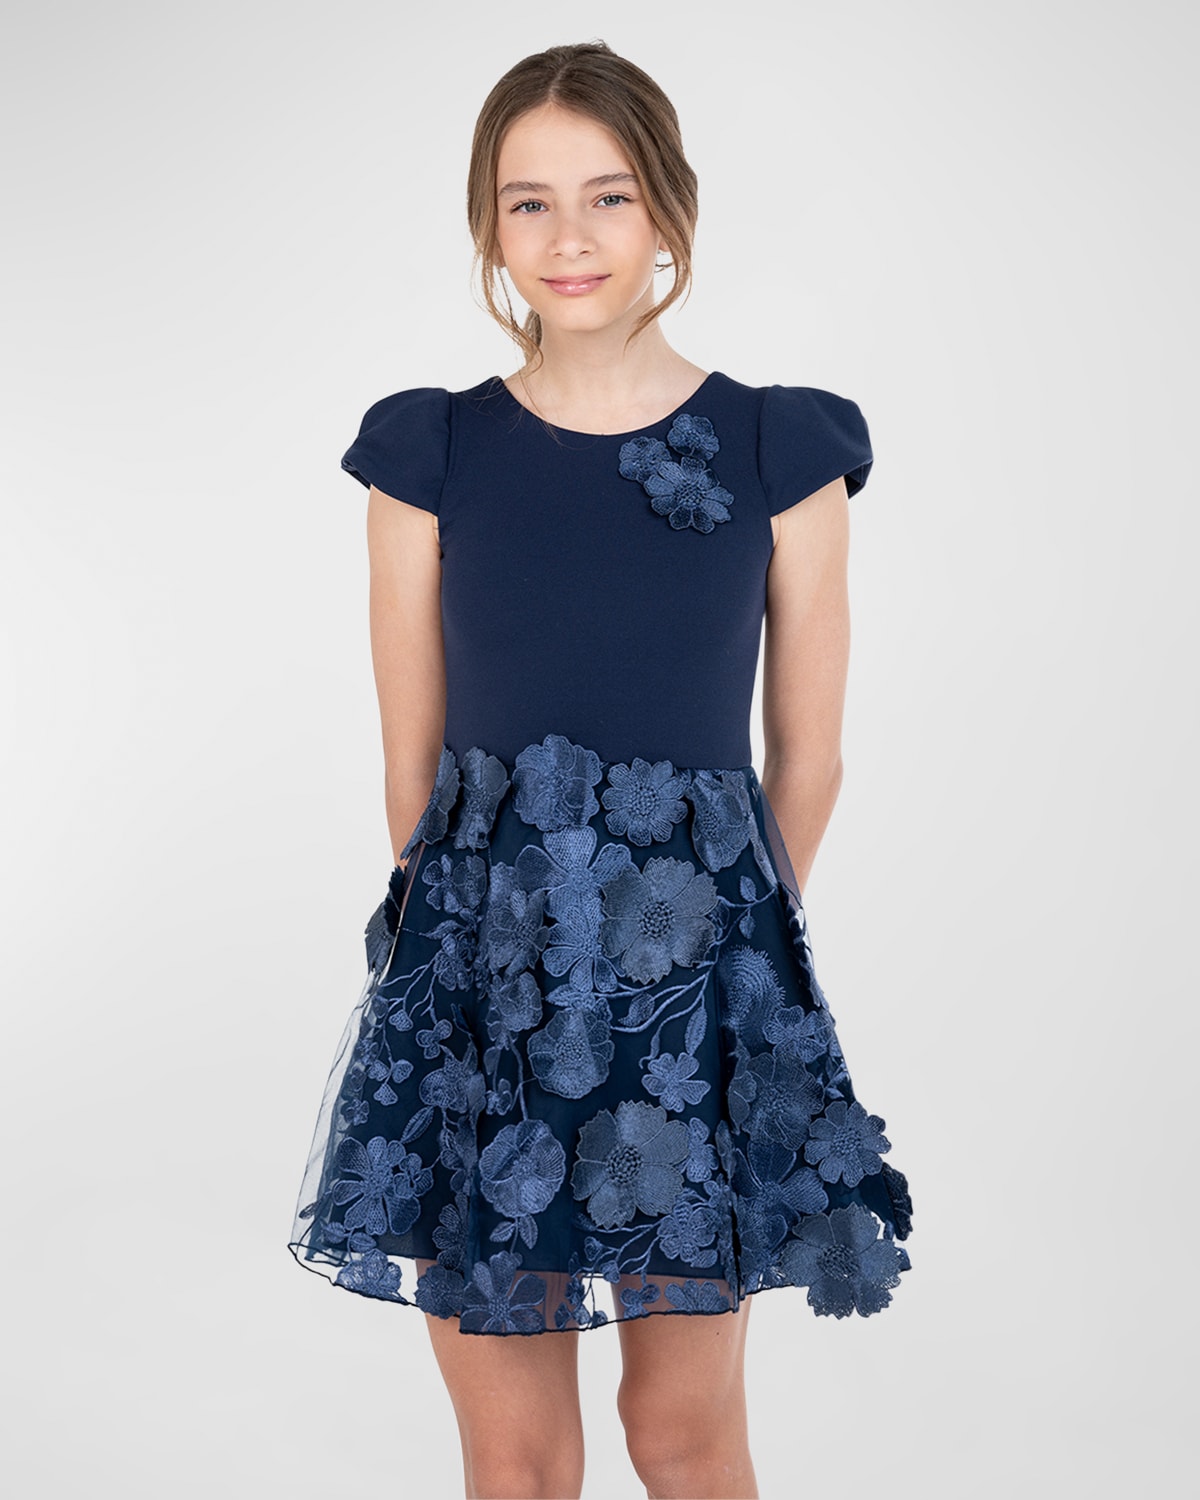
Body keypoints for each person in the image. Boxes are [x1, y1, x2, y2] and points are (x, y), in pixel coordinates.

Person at [288, 39, 914, 1500]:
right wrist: (491, 972)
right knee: (514, 1459)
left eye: (609, 196)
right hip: (482, 990)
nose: (569, 237)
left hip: (692, 999)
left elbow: (809, 760)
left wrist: (714, 961)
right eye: (529, 203)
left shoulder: (778, 447)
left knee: (681, 1435)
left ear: (670, 212)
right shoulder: (429, 454)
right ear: (489, 228)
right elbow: (413, 777)